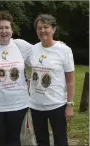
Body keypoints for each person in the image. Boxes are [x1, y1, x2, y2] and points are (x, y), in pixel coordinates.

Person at [0, 11, 33, 146]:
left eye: (7, 28)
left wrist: (56, 44)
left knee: (14, 139)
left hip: (18, 103)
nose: (4, 31)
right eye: (0, 28)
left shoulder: (21, 46)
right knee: (0, 139)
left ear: (12, 29)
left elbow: (41, 54)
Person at [29, 14, 75, 146]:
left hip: (57, 105)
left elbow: (70, 80)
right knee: (41, 141)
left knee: (60, 141)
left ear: (53, 29)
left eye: (46, 27)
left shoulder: (64, 50)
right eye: (39, 28)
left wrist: (70, 105)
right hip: (36, 105)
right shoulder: (33, 49)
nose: (42, 30)